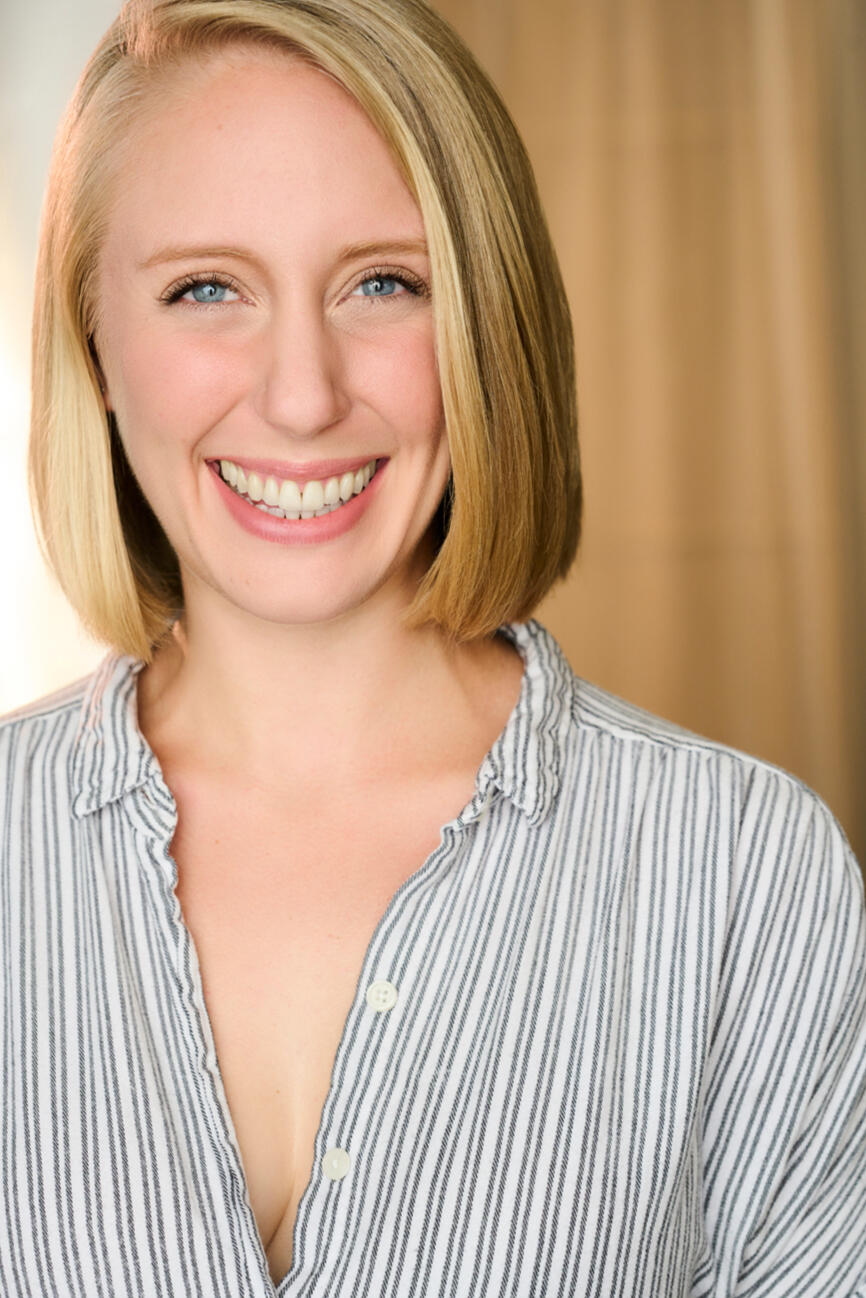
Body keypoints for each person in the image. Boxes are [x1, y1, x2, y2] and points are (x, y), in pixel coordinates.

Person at [3, 0, 865, 1293]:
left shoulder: (750, 876)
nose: (301, 394)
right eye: (205, 288)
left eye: (382, 283)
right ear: (95, 345)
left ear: (485, 323)